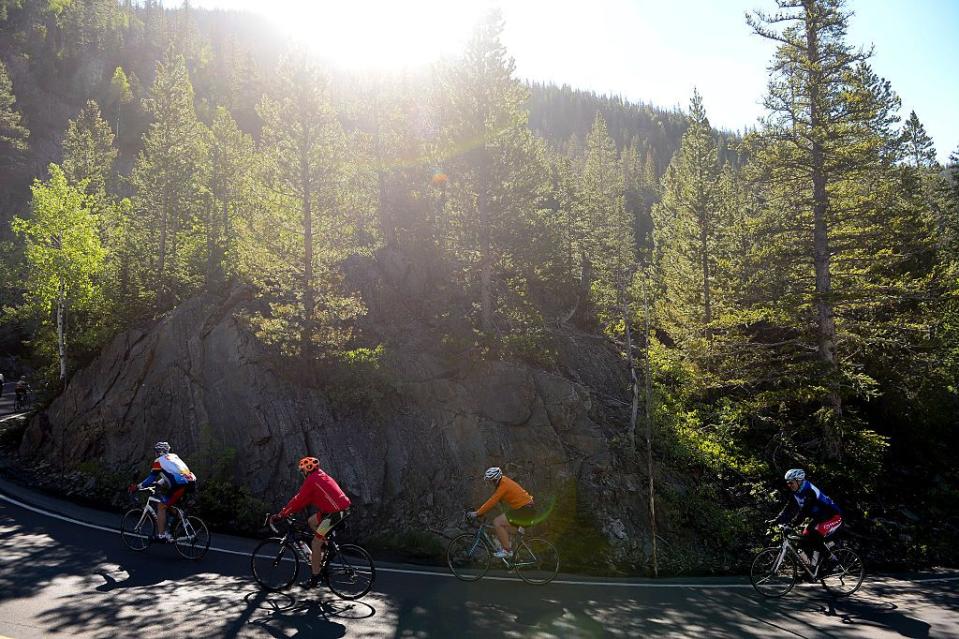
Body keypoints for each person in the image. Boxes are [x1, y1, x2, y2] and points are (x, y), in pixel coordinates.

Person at [272, 457, 352, 588]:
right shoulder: (320, 475)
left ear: (307, 469)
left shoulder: (311, 480)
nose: (302, 473)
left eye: (302, 470)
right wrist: (289, 510)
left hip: (335, 513)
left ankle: (315, 579)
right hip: (338, 510)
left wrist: (282, 514)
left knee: (315, 542)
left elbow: (298, 499)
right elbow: (304, 500)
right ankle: (326, 546)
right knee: (311, 521)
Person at [769, 468, 843, 575]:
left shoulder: (809, 491)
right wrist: (776, 520)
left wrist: (791, 524)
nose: (789, 485)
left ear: (799, 481)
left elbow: (804, 512)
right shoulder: (796, 492)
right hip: (820, 518)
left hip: (833, 517)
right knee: (803, 539)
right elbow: (788, 508)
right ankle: (812, 568)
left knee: (815, 536)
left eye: (791, 482)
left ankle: (833, 561)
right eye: (787, 483)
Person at [128, 441, 197, 542]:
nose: (155, 454)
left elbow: (150, 478)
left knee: (161, 506)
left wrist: (137, 487)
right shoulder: (174, 457)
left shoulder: (159, 461)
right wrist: (159, 483)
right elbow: (171, 472)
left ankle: (161, 535)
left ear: (159, 452)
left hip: (180, 485)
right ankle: (180, 523)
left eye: (156, 452)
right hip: (191, 482)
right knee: (170, 505)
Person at [468, 467, 537, 559]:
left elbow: (492, 501)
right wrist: (483, 512)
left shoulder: (503, 485)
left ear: (495, 479)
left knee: (497, 522)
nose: (490, 483)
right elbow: (497, 502)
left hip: (524, 510)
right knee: (504, 529)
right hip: (527, 510)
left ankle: (507, 550)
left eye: (491, 481)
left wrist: (477, 513)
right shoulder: (504, 481)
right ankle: (514, 555)